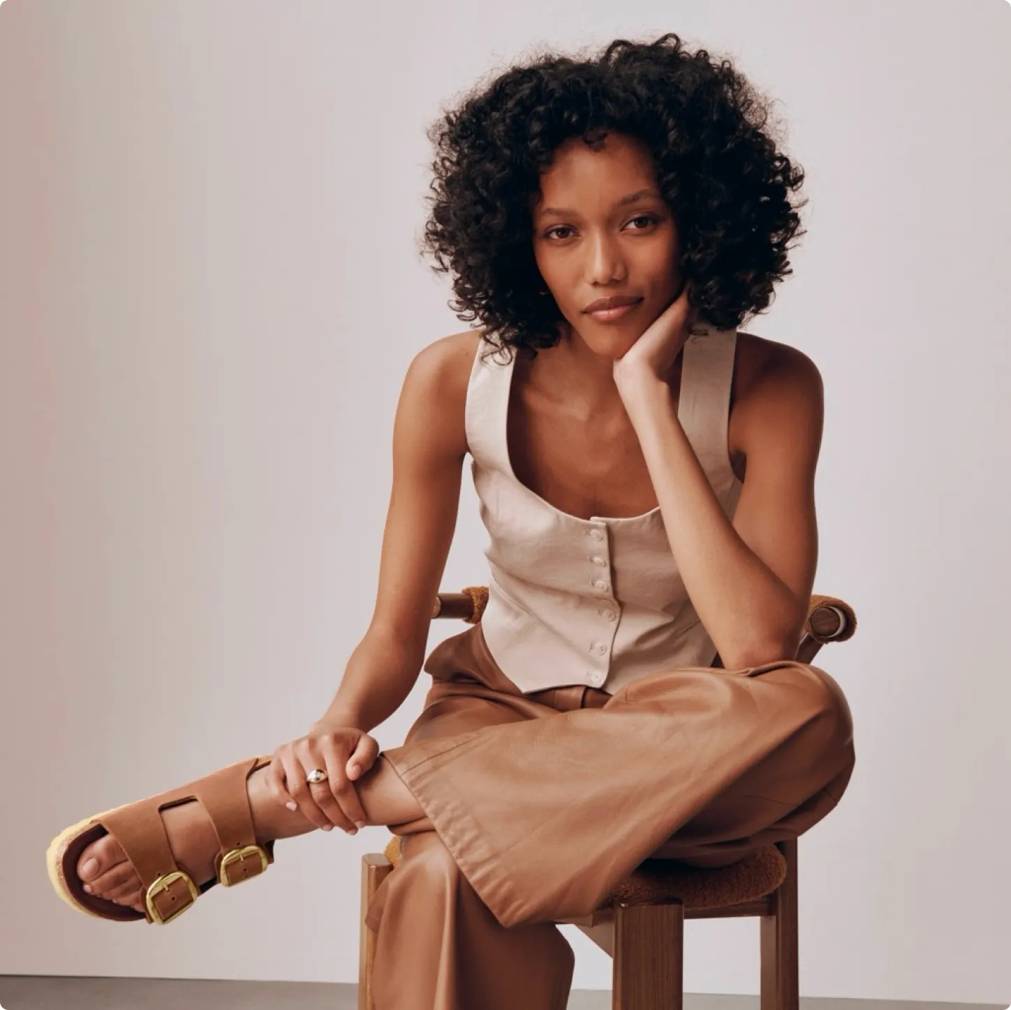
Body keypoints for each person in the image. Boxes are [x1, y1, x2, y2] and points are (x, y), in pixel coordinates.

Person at [46, 31, 855, 1010]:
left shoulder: (772, 386)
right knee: (436, 877)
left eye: (639, 219)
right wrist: (331, 738)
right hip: (497, 712)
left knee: (806, 710)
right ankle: (342, 788)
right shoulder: (449, 382)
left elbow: (757, 643)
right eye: (562, 231)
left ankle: (256, 808)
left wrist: (646, 392)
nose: (605, 266)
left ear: (700, 218)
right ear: (516, 239)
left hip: (683, 754)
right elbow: (394, 633)